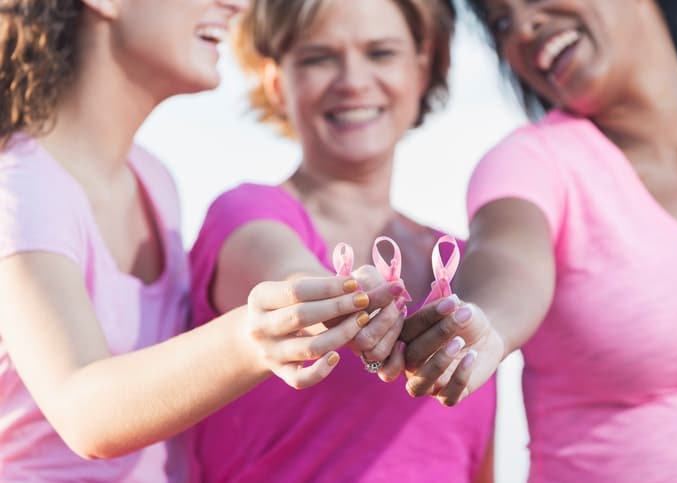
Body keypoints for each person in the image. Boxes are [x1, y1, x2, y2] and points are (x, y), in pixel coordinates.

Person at [0, 0, 395, 480]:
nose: (238, 5)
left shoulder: (153, 180)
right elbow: (84, 412)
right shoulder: (19, 189)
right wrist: (253, 336)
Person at [401, 0, 677, 482]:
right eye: (502, 23)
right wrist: (482, 323)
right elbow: (507, 260)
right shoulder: (532, 164)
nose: (524, 27)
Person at [188, 0, 496, 481]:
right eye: (318, 57)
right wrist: (348, 301)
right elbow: (290, 279)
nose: (352, 80)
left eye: (380, 53)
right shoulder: (246, 215)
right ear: (276, 83)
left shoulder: (462, 261)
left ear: (421, 68)